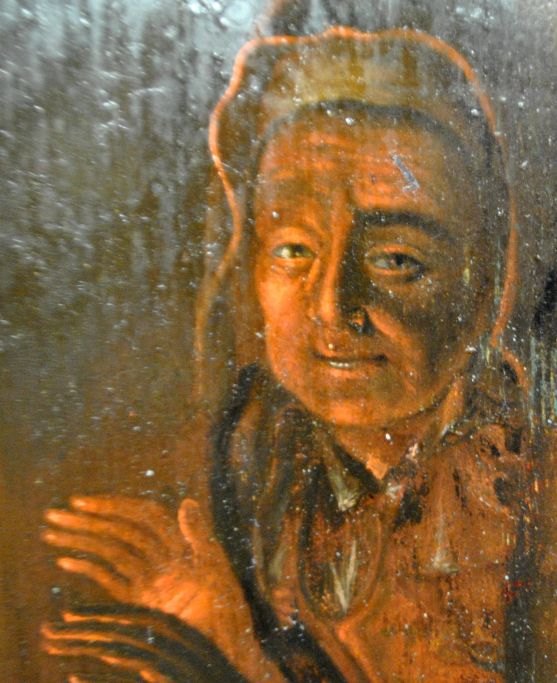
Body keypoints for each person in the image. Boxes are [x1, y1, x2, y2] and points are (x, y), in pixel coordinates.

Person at [42, 25, 536, 682]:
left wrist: (234, 664)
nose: (333, 305)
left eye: (395, 259)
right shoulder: (245, 473)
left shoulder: (531, 505)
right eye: (294, 250)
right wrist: (221, 628)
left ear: (482, 287)